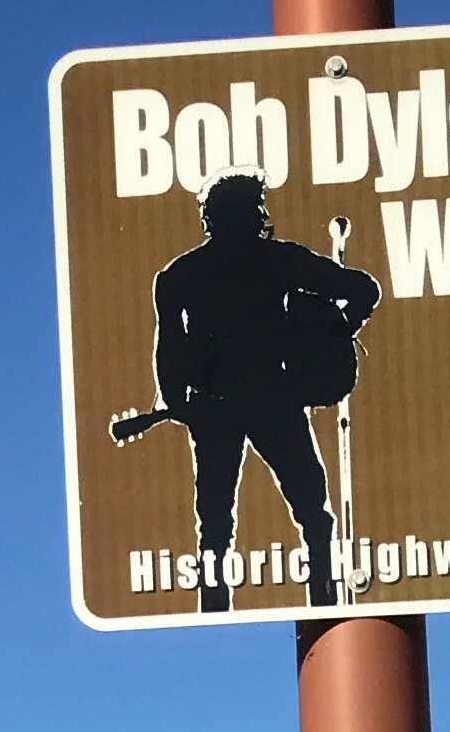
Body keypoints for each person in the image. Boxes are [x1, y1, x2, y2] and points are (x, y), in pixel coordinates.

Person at [151, 170, 379, 611]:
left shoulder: (182, 274)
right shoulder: (276, 260)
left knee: (221, 522)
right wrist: (337, 329)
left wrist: (180, 402)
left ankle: (221, 609)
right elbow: (362, 290)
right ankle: (321, 600)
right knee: (306, 511)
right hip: (270, 399)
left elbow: (169, 350)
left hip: (230, 406)